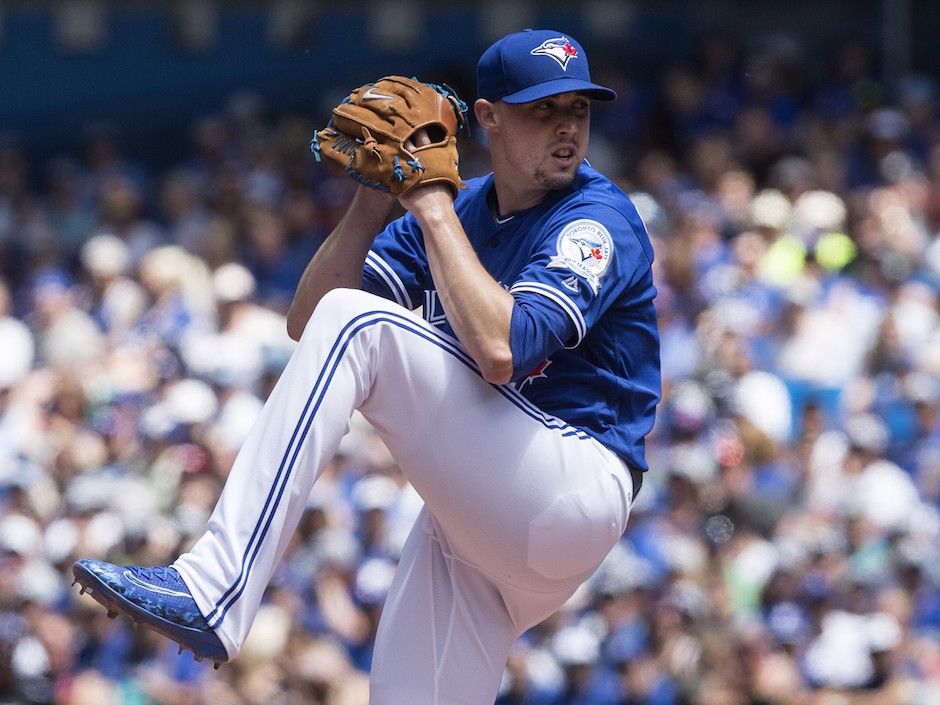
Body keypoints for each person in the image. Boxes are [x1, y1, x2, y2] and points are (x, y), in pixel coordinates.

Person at [73, 28, 661, 704]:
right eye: (543, 109)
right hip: (481, 528)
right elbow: (307, 321)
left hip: (571, 482)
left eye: (577, 109)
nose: (566, 127)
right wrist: (372, 198)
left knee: (360, 323)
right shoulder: (455, 206)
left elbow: (503, 351)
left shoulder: (595, 216)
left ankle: (214, 585)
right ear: (489, 117)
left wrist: (432, 202)